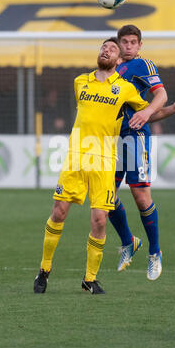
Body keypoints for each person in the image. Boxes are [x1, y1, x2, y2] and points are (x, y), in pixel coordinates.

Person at [33, 37, 158, 295]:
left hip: (104, 161)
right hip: (76, 157)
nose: (106, 50)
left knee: (100, 220)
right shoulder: (81, 82)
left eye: (112, 48)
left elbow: (146, 112)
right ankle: (44, 270)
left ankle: (89, 279)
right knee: (58, 213)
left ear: (118, 59)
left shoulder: (124, 89)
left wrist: (173, 109)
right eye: (103, 47)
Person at [108, 24, 175, 280]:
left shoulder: (143, 66)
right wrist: (164, 111)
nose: (129, 46)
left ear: (140, 45)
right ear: (119, 43)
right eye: (126, 42)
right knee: (105, 196)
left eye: (134, 42)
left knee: (141, 197)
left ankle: (155, 252)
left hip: (135, 139)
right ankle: (129, 242)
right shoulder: (111, 70)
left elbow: (161, 94)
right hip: (111, 139)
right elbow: (139, 111)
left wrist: (148, 112)